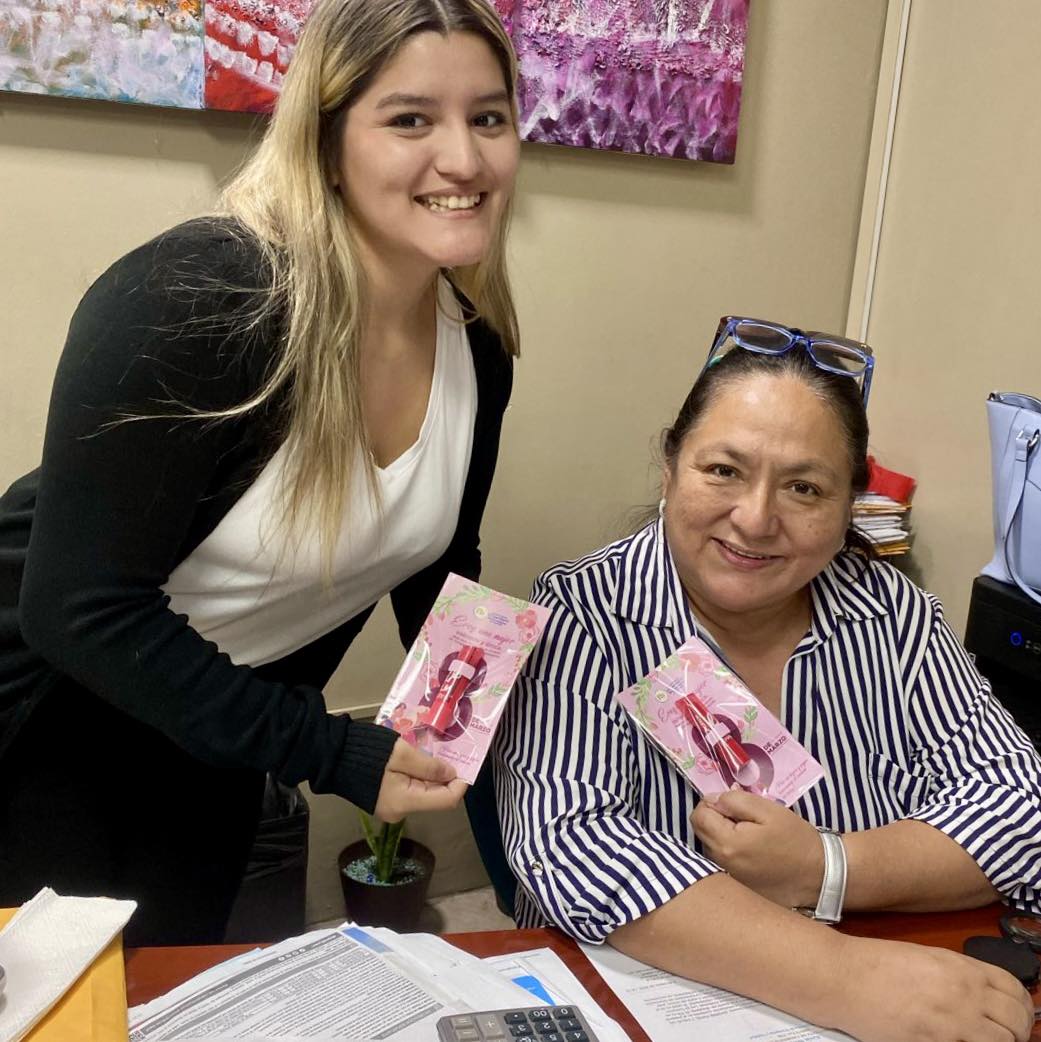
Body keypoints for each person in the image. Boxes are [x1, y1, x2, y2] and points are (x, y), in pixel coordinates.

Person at [0, 0, 521, 946]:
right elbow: (76, 609)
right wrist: (335, 750)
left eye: (489, 117)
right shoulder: (194, 301)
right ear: (326, 143)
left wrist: (482, 708)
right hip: (43, 718)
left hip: (211, 732)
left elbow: (437, 553)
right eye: (411, 119)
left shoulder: (476, 350)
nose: (465, 160)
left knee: (170, 982)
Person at [496, 317, 1041, 1042]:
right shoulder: (580, 612)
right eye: (722, 470)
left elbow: (1018, 805)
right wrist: (843, 977)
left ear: (850, 503)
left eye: (804, 489)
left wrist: (827, 867)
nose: (754, 520)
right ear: (669, 467)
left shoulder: (893, 612)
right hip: (664, 1002)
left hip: (910, 974)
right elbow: (573, 849)